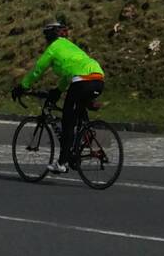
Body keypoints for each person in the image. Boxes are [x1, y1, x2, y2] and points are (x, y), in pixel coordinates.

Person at [12, 19, 104, 174]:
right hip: (98, 79)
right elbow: (69, 72)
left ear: (49, 35)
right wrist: (58, 91)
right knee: (77, 110)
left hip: (82, 82)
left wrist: (22, 86)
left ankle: (62, 163)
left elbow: (38, 70)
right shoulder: (69, 46)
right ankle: (85, 135)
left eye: (45, 36)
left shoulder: (53, 48)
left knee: (68, 121)